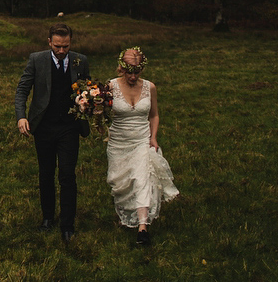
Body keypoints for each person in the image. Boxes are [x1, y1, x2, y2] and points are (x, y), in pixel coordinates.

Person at [15, 23, 90, 243]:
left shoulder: (80, 60)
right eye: (57, 46)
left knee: (67, 174)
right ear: (49, 42)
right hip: (44, 127)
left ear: (70, 43)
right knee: (46, 174)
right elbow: (22, 90)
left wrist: (87, 102)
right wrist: (21, 116)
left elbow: (86, 89)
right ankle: (47, 218)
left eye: (65, 46)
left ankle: (67, 225)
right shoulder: (36, 60)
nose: (61, 51)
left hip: (69, 126)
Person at [106, 47, 179, 245]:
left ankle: (143, 228)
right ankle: (127, 213)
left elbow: (154, 115)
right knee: (121, 183)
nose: (133, 76)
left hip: (142, 139)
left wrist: (153, 137)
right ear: (121, 68)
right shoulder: (110, 86)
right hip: (119, 142)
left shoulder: (150, 87)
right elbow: (101, 112)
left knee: (142, 177)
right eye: (129, 71)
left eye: (136, 72)